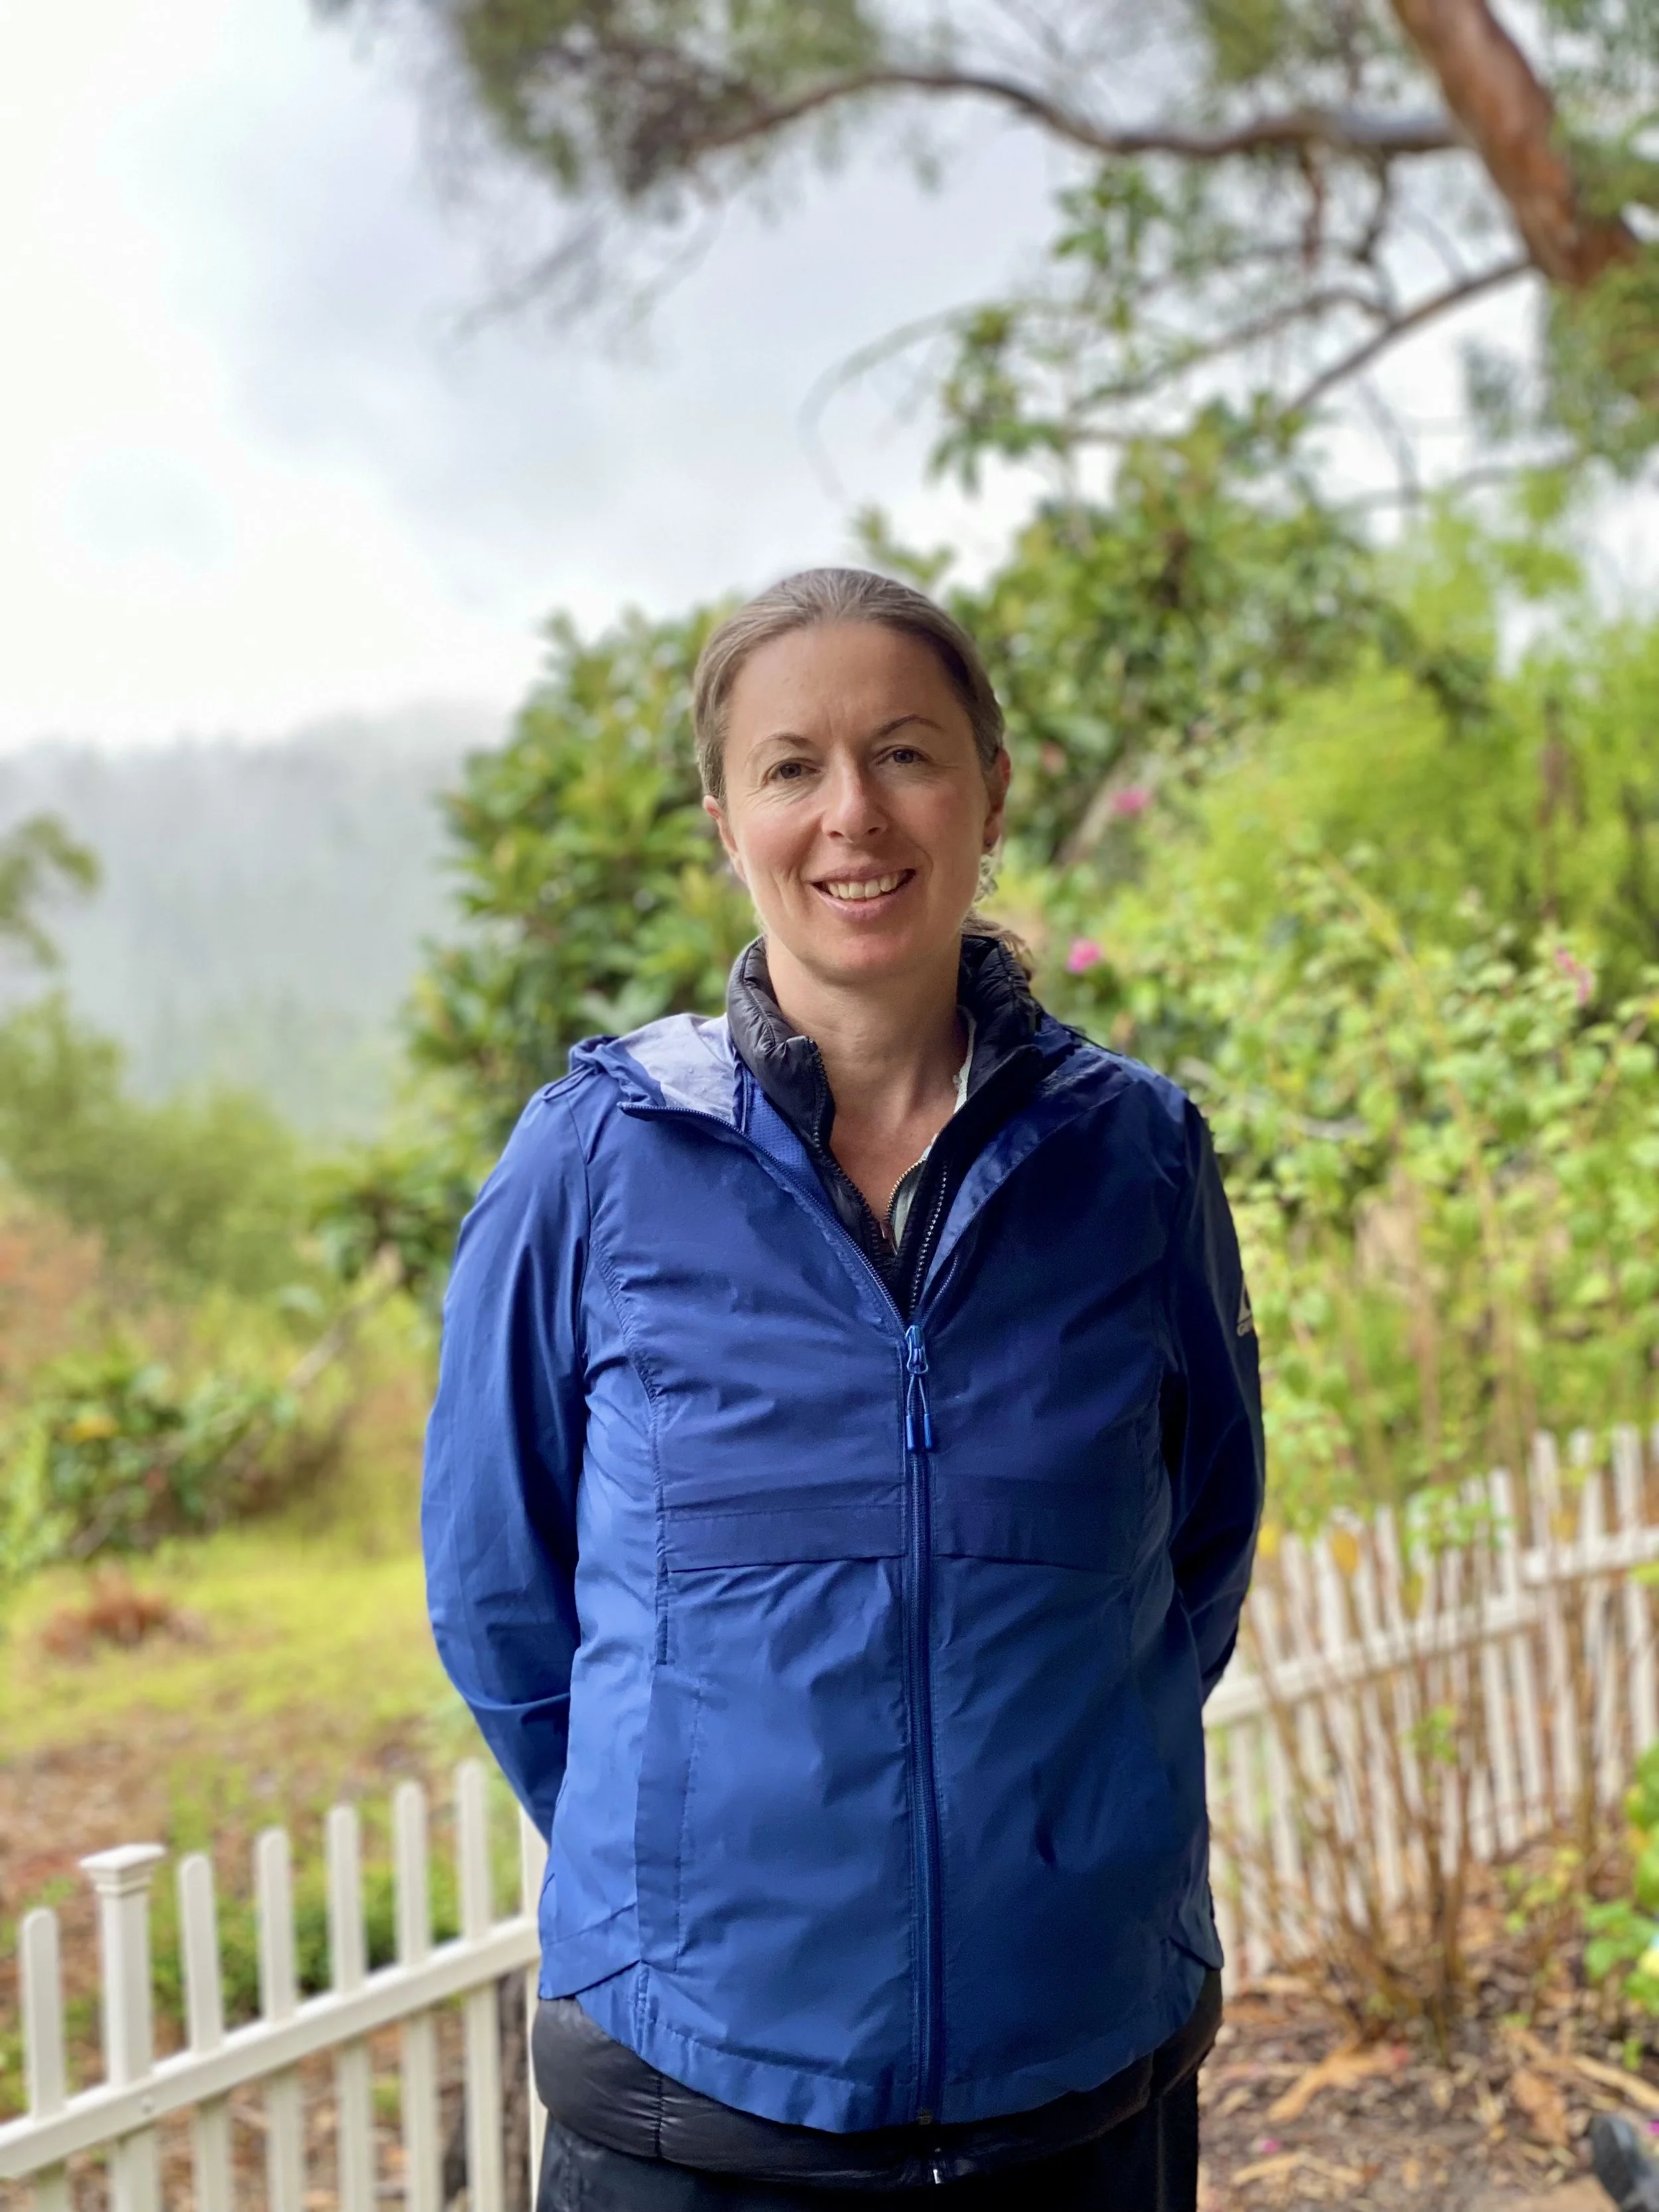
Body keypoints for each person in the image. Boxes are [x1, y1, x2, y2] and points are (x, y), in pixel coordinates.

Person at [423, 568, 1265, 2210]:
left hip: (1077, 2080)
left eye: (906, 752)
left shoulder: (1134, 1156)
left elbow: (1190, 1553)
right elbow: (499, 1598)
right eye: (790, 766)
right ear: (725, 816)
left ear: (990, 791)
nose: (850, 814)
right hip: (693, 2113)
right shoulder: (587, 1165)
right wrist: (686, 1858)